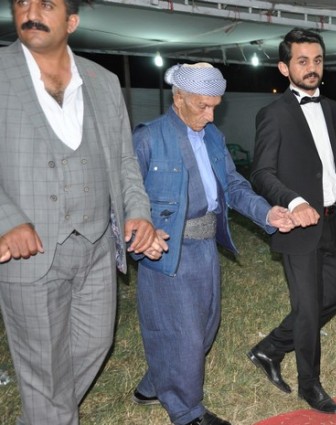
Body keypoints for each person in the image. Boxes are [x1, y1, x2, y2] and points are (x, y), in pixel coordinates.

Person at [0, 0, 167, 423]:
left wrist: (138, 212)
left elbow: (125, 162)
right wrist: (6, 220)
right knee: (45, 371)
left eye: (46, 4)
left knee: (94, 344)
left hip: (96, 248)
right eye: (22, 2)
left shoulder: (103, 81)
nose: (31, 11)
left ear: (71, 21)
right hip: (29, 251)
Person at [130, 63, 295, 425]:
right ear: (179, 98)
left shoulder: (213, 137)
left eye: (215, 107)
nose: (210, 115)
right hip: (168, 249)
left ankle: (153, 386)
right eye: (202, 106)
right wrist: (138, 238)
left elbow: (233, 186)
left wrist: (267, 213)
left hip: (206, 247)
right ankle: (187, 413)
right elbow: (122, 198)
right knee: (184, 336)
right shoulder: (149, 138)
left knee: (204, 328)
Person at [247, 28, 336, 414]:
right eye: (303, 61)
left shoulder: (332, 108)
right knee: (308, 309)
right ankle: (310, 385)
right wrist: (293, 201)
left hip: (331, 220)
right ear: (284, 67)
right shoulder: (273, 114)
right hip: (298, 225)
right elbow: (261, 173)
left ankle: (269, 348)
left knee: (332, 299)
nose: (312, 68)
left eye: (318, 60)